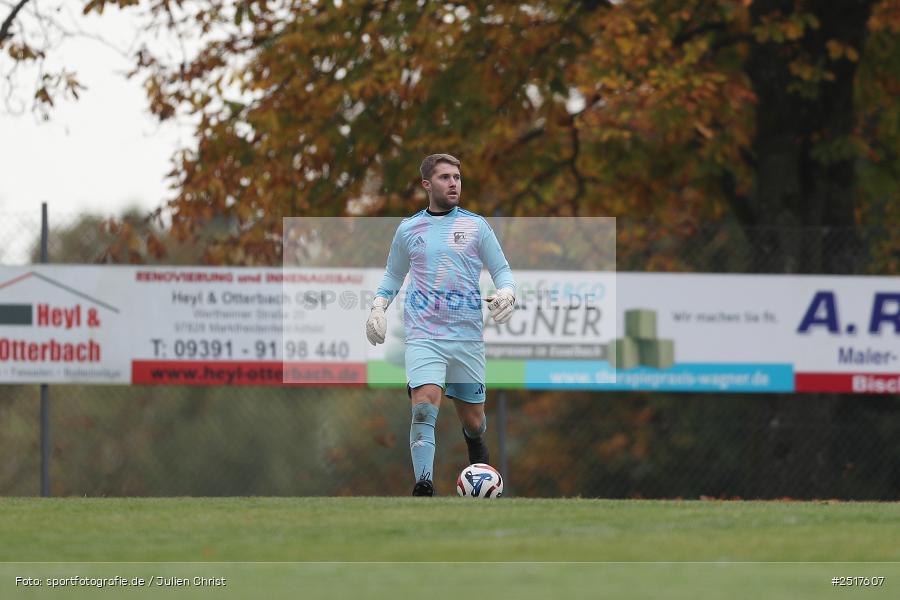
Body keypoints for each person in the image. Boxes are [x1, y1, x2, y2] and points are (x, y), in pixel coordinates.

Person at [366, 153, 516, 496]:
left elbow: (502, 271)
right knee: (424, 406)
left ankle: (479, 460)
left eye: (457, 178)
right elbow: (392, 275)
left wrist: (507, 293)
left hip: (466, 337)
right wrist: (377, 308)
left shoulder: (476, 226)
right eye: (445, 177)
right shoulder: (408, 229)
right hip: (423, 335)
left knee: (474, 423)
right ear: (427, 184)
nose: (454, 183)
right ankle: (424, 486)